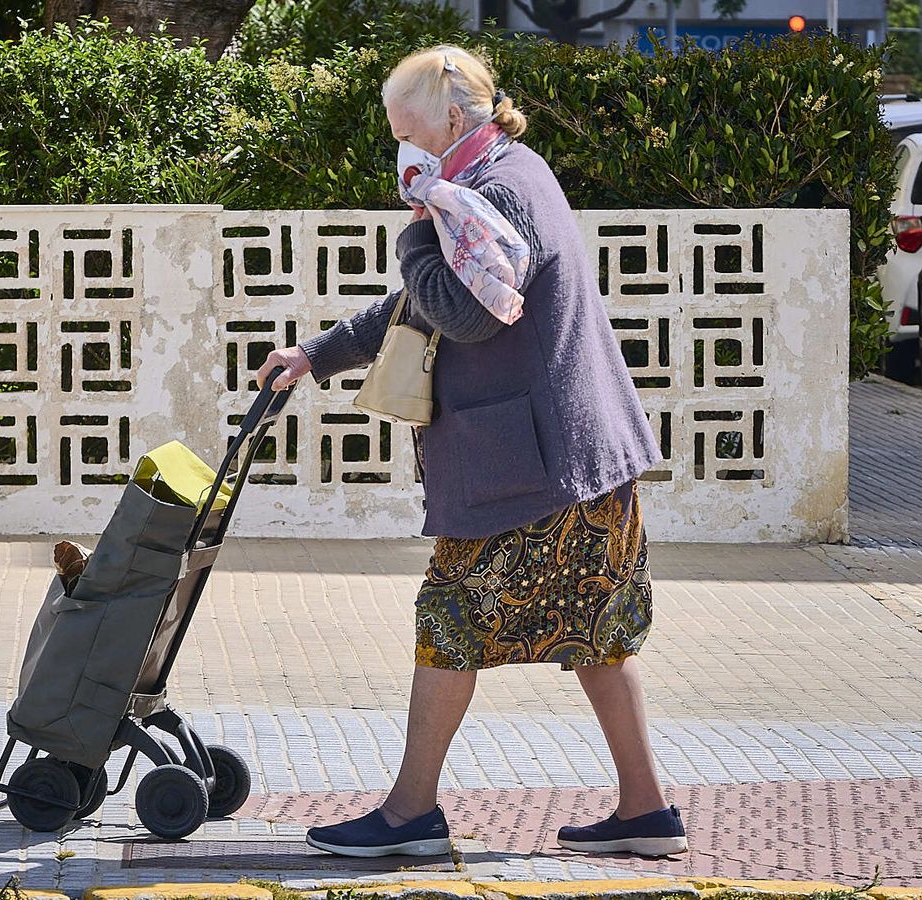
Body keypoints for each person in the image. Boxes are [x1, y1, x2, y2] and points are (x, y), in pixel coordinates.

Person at [253, 44, 686, 860]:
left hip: (530, 466)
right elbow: (427, 302)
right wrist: (319, 354)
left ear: (452, 119)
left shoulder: (495, 193)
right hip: (564, 457)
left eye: (404, 129)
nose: (399, 147)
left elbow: (466, 312)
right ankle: (646, 812)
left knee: (451, 624)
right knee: (596, 632)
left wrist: (414, 234)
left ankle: (410, 811)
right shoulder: (494, 179)